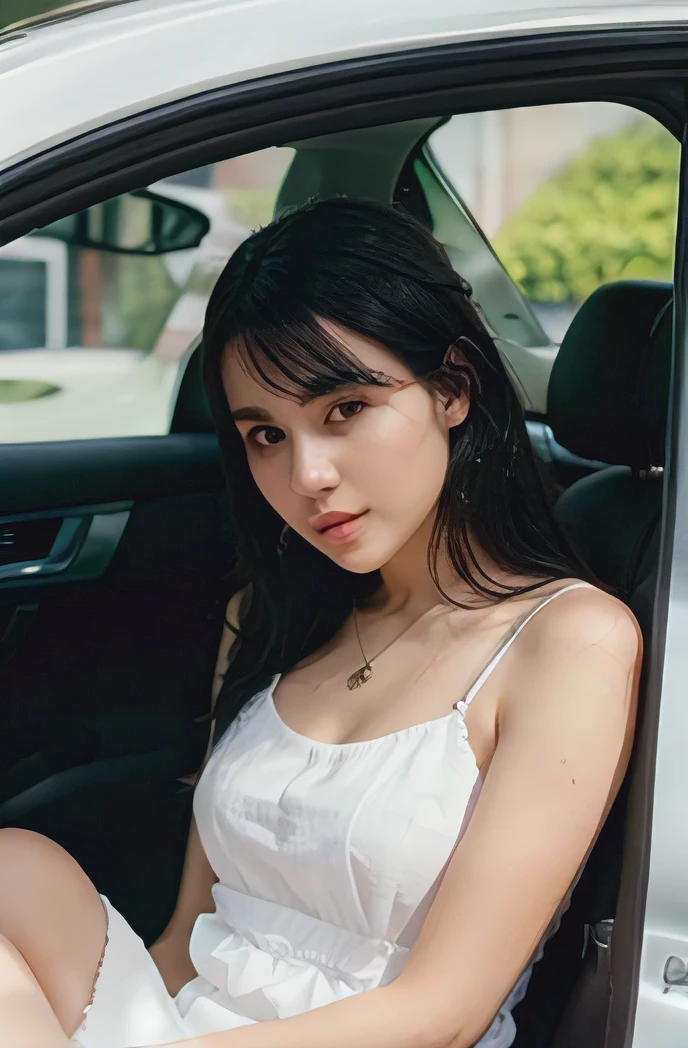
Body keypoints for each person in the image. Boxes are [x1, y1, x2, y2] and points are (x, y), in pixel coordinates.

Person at [0, 198, 641, 1048]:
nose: (308, 474)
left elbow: (441, 1016)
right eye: (266, 434)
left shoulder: (571, 642)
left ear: (452, 387)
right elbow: (190, 948)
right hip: (195, 1031)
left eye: (343, 409)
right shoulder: (271, 615)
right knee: (13, 866)